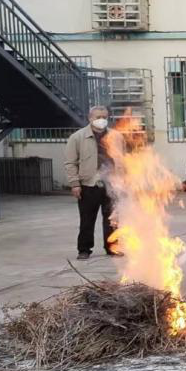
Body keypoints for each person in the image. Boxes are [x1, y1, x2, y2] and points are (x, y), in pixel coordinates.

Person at [65, 106, 122, 260]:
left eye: (104, 117)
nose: (101, 120)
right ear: (90, 118)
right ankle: (84, 249)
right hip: (89, 184)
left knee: (112, 219)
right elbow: (70, 163)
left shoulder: (116, 137)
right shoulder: (77, 138)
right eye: (98, 117)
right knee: (87, 220)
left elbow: (122, 159)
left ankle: (112, 247)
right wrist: (75, 184)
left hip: (111, 183)